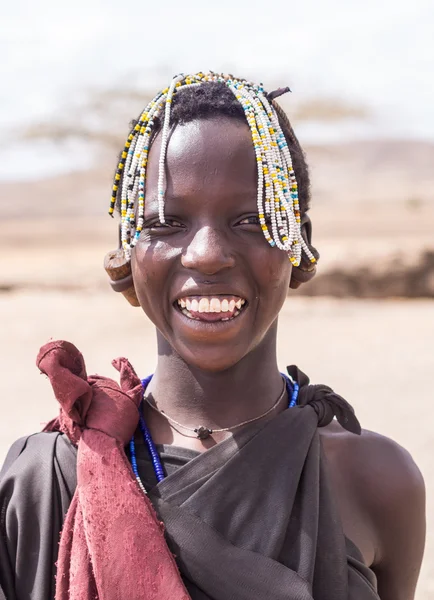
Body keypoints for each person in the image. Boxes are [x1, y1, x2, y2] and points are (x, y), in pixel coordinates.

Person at [0, 72, 426, 600]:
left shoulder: (376, 480)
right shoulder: (47, 478)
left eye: (250, 220)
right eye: (165, 223)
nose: (206, 253)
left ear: (299, 245)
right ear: (127, 251)